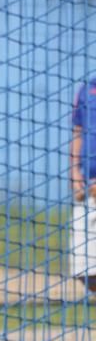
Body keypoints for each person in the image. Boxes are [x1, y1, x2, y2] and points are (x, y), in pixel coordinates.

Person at [70, 77, 96, 292]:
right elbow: (77, 132)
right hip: (86, 188)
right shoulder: (86, 89)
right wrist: (74, 174)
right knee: (83, 270)